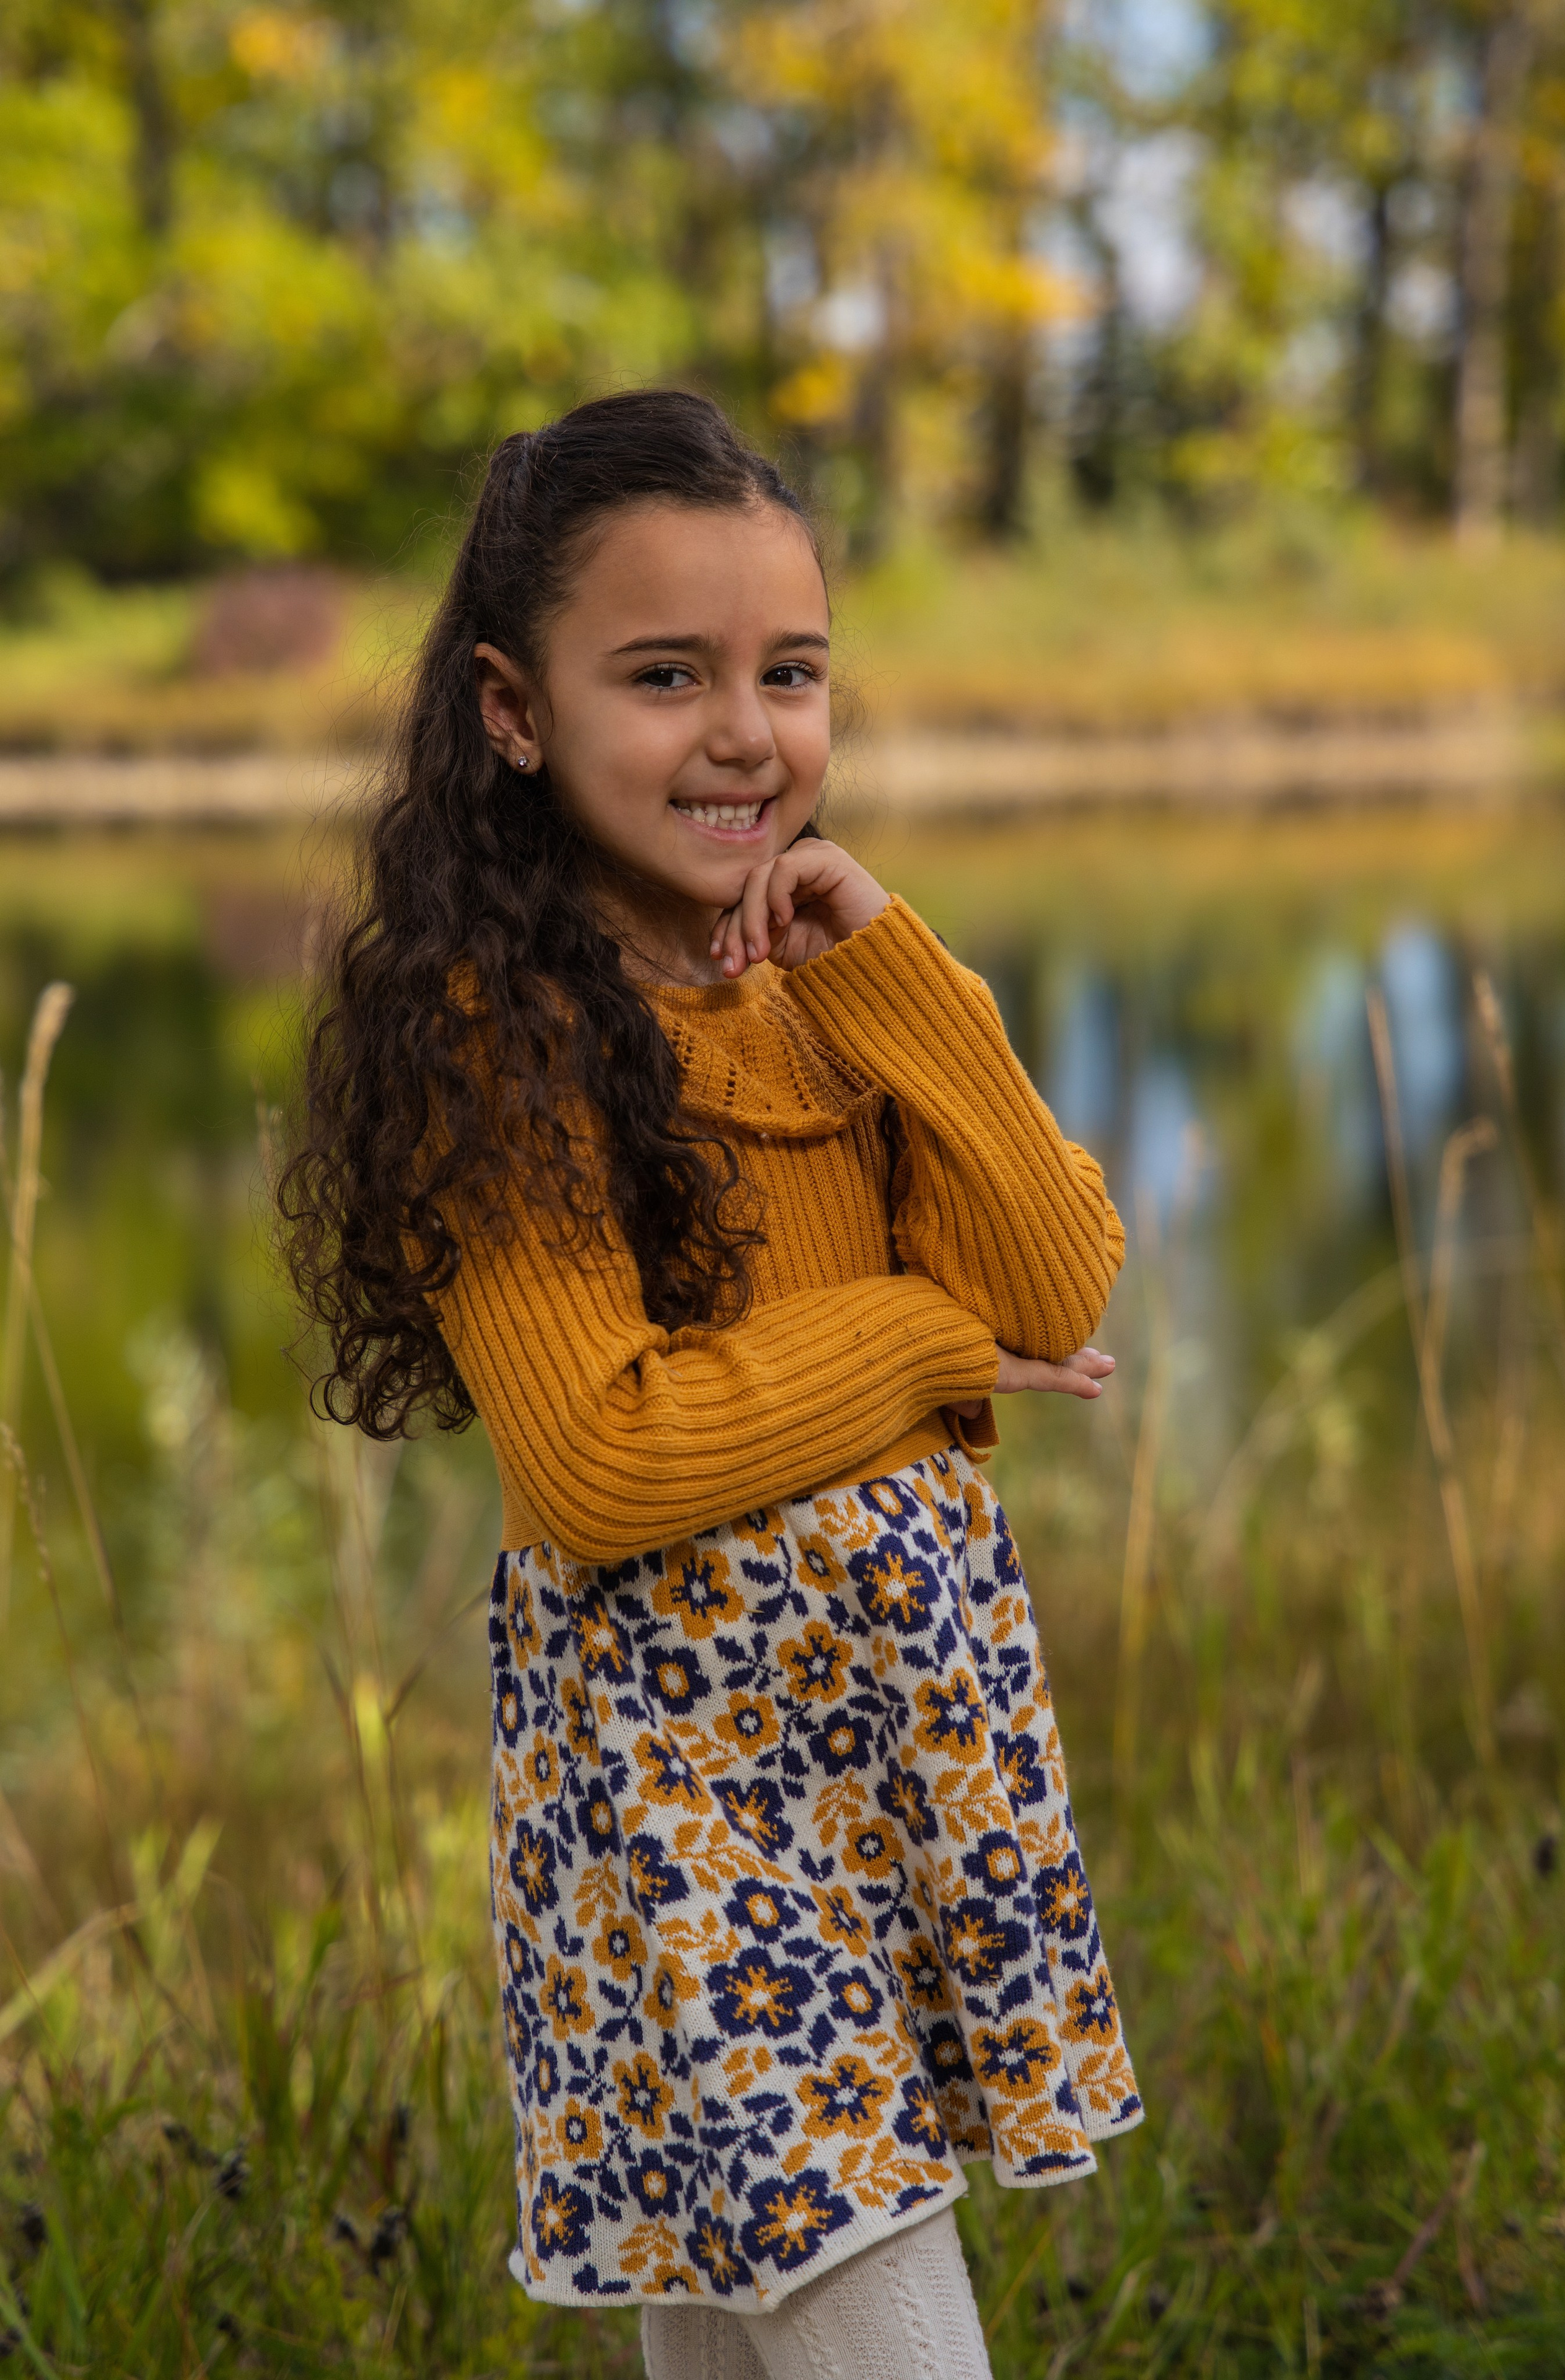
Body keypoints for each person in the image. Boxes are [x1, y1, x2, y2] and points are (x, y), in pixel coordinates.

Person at [280, 389, 1142, 2380]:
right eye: (666, 676)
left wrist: (900, 968)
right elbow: (602, 1449)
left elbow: (1063, 1273)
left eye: (791, 672)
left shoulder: (846, 992)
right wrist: (930, 1347)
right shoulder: (503, 1032)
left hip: (900, 1740)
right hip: (691, 1782)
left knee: (739, 2324)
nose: (746, 733)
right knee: (874, 2316)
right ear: (516, 710)